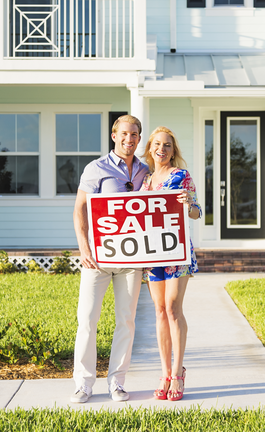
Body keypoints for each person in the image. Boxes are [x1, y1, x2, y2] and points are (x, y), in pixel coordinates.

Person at [70, 115, 149, 403]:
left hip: (131, 261)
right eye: (125, 133)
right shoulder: (96, 168)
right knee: (88, 320)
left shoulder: (145, 171)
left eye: (135, 134)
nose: (130, 139)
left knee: (126, 321)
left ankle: (117, 382)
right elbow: (80, 209)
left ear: (139, 138)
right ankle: (83, 384)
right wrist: (84, 248)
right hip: (98, 259)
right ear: (114, 135)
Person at [140, 126, 201, 402]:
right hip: (153, 254)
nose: (161, 149)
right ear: (150, 148)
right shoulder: (146, 181)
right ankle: (164, 373)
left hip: (177, 252)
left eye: (167, 145)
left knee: (174, 309)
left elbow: (198, 212)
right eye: (157, 144)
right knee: (160, 310)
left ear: (173, 150)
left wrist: (188, 204)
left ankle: (178, 372)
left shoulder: (181, 176)